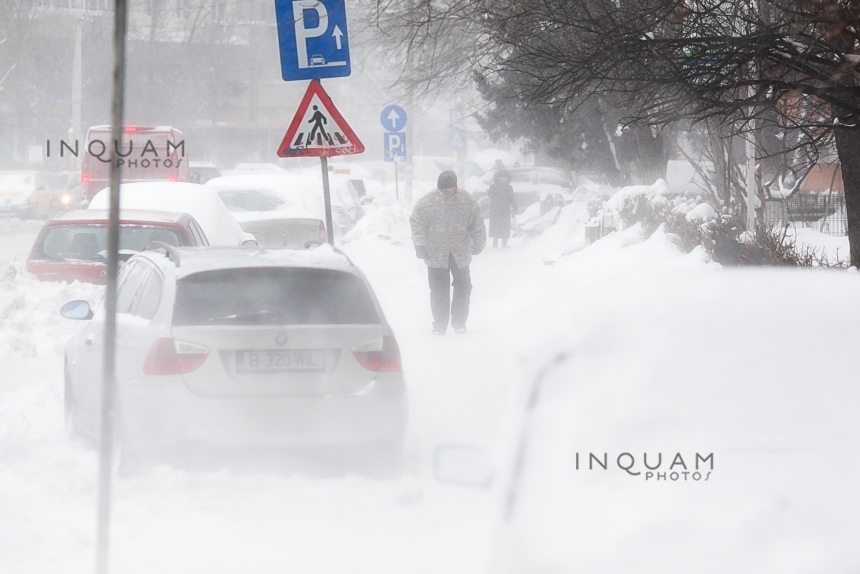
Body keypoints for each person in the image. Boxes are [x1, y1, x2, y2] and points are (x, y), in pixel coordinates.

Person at [410, 170, 487, 335]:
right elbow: (417, 223)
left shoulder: (467, 201)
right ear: (439, 187)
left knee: (463, 287)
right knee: (439, 290)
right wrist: (420, 245)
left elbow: (477, 223)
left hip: (460, 253)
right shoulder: (426, 202)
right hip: (436, 254)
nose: (449, 192)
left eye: (451, 189)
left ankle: (459, 322)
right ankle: (439, 324)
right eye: (445, 190)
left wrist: (479, 243)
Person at [487, 169, 517, 248]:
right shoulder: (493, 186)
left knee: (505, 226)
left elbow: (512, 198)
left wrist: (515, 207)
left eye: (505, 177)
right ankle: (495, 243)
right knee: (495, 226)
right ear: (498, 178)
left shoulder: (509, 187)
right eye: (501, 177)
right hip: (495, 210)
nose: (504, 179)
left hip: (505, 210)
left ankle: (504, 243)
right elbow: (490, 194)